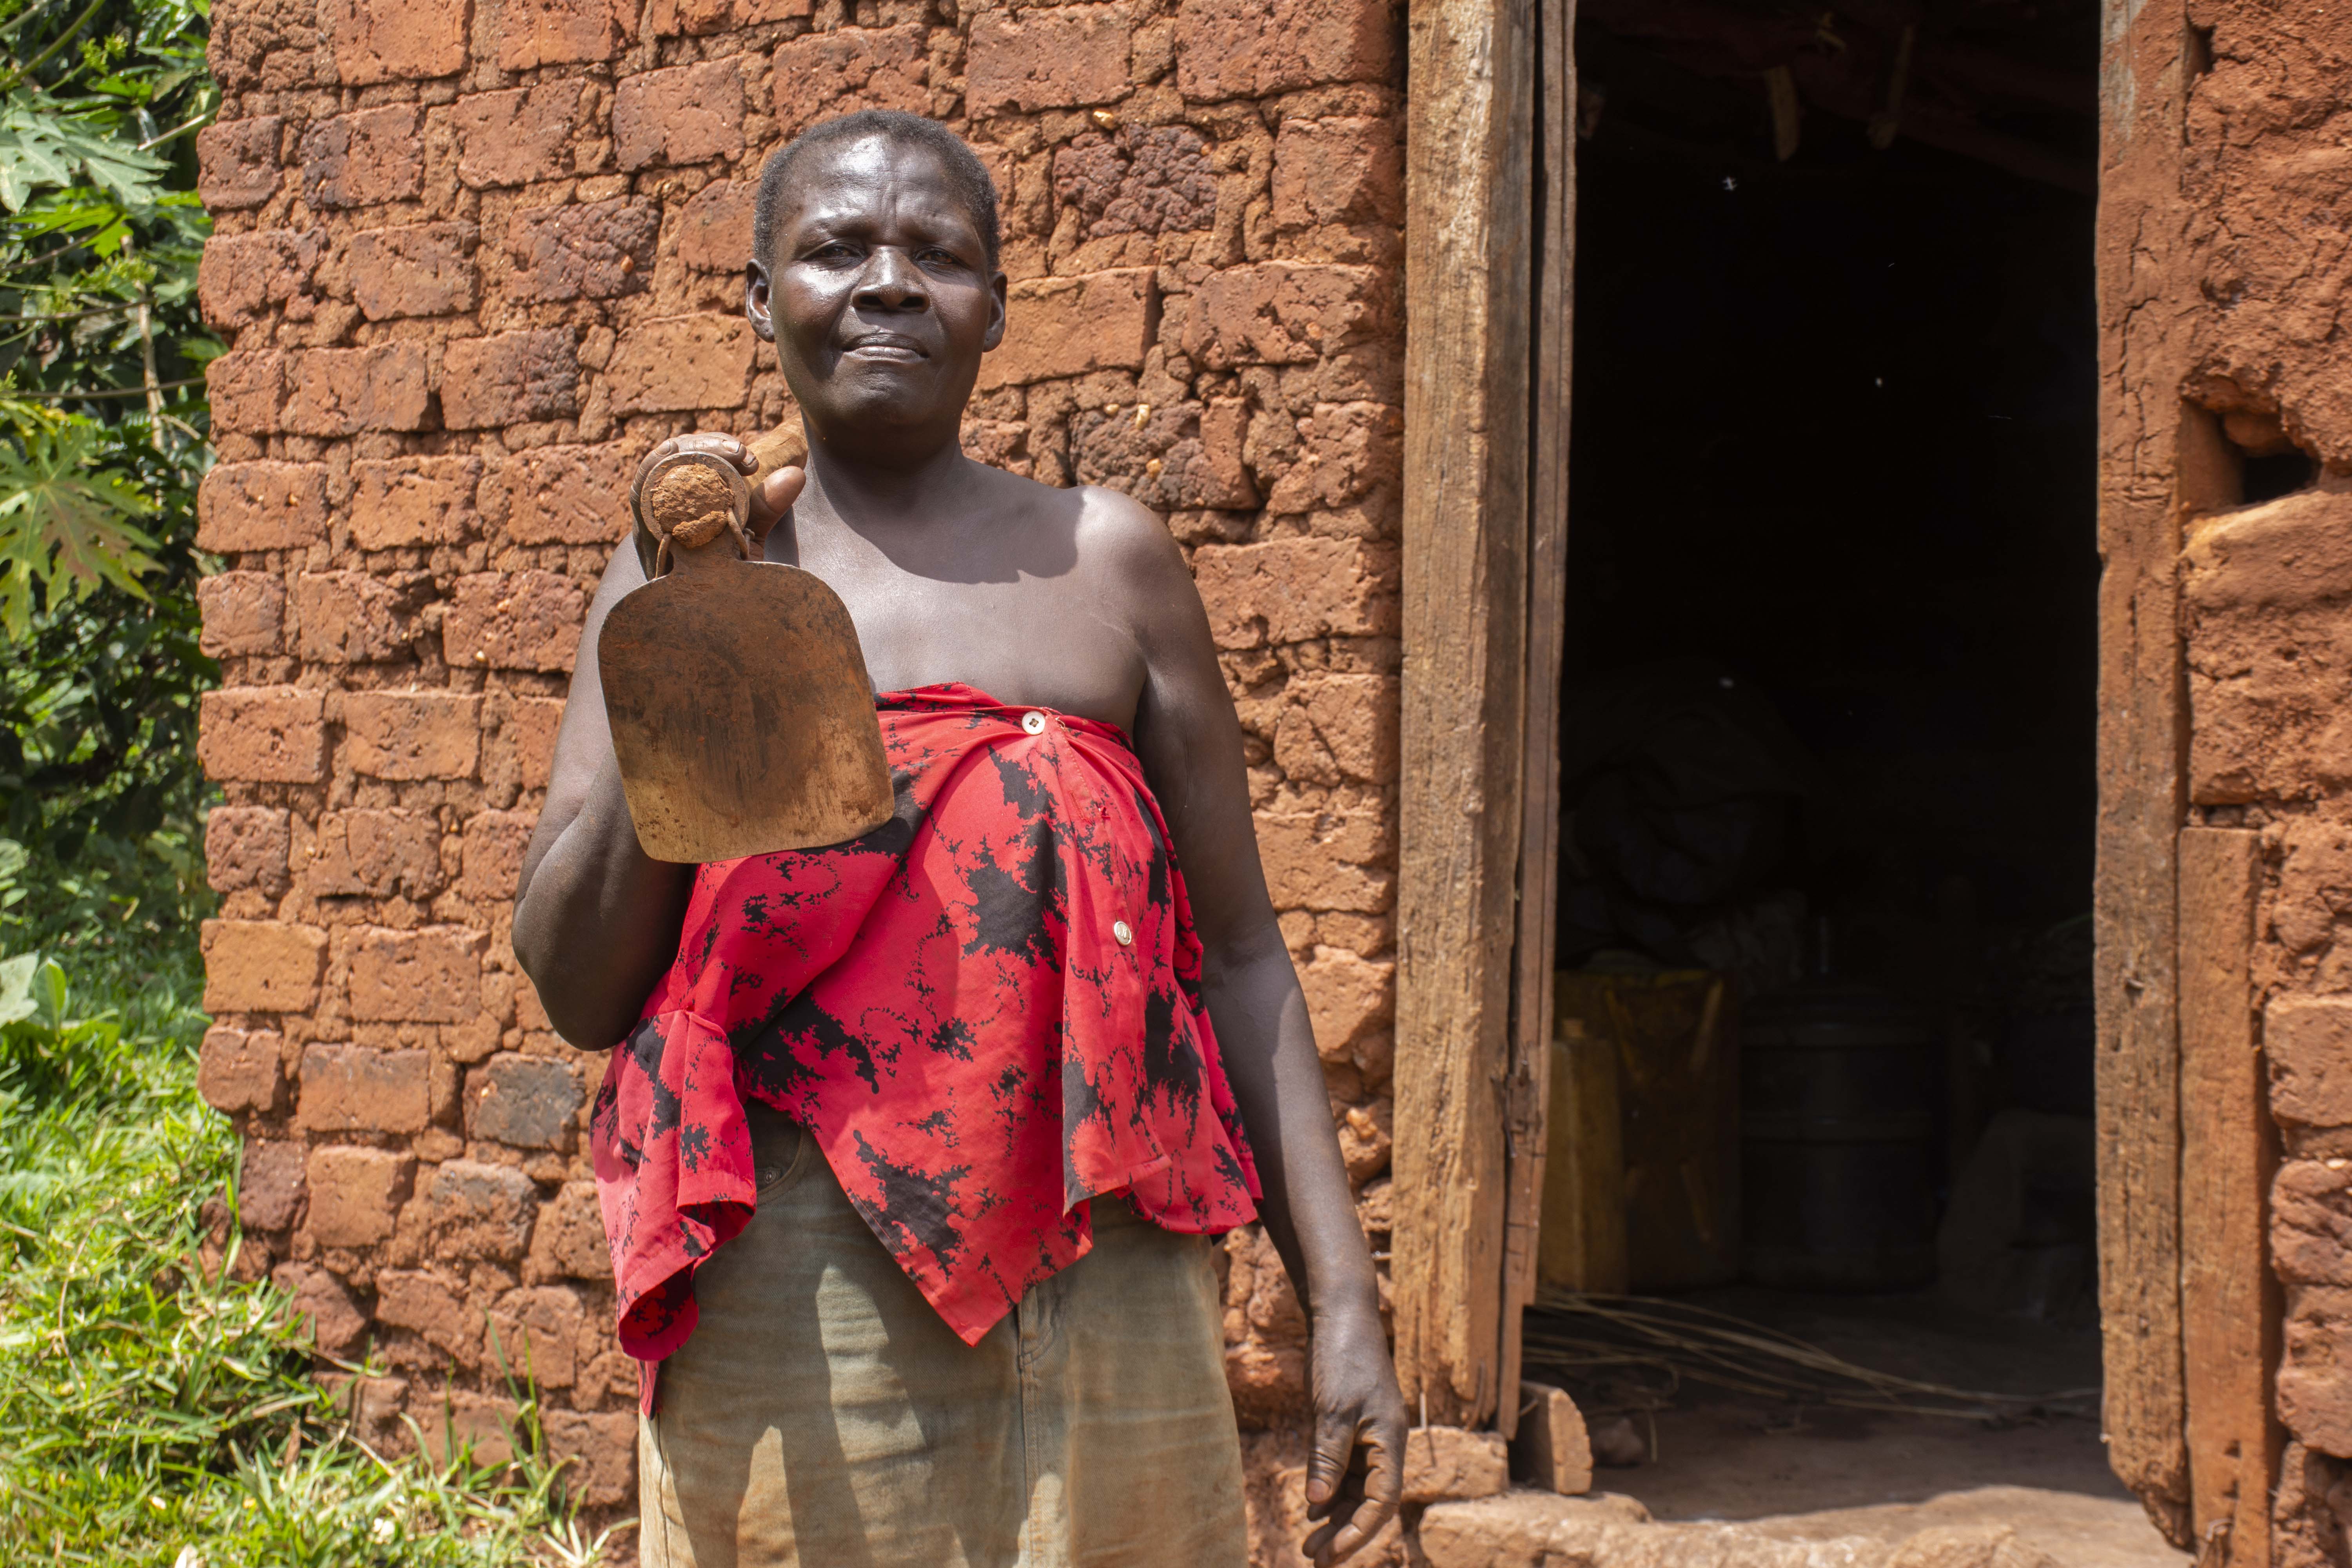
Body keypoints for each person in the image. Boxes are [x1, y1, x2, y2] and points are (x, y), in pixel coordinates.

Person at [512, 109, 1406, 1567]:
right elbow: (577, 984)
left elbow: (1243, 959)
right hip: (805, 1286)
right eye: (834, 249)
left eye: (937, 252)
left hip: (1117, 1280)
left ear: (994, 305)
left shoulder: (1102, 564)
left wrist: (1346, 1313)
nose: (887, 283)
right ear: (760, 300)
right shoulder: (705, 567)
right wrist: (707, 623)